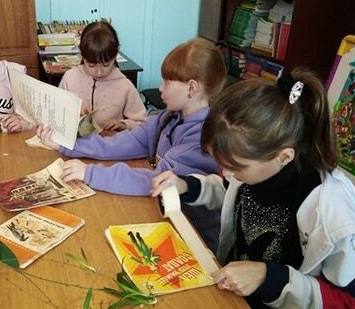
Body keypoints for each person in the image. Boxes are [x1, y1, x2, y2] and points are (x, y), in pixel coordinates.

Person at [150, 68, 355, 309]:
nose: (227, 173)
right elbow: (230, 190)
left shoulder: (331, 215)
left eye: (237, 167)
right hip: (238, 300)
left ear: (284, 156)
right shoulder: (257, 168)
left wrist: (270, 277)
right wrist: (188, 186)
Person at [37, 37, 227, 249]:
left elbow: (155, 182)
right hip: (164, 217)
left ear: (191, 88)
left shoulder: (202, 139)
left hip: (193, 237)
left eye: (167, 82)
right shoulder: (169, 117)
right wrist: (65, 144)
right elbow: (122, 143)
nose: (161, 88)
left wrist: (90, 173)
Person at [59, 20, 146, 131]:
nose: (99, 72)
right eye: (91, 65)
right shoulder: (70, 78)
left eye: (106, 64)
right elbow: (56, 113)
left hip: (110, 145)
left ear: (116, 54)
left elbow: (143, 124)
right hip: (75, 145)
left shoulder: (125, 86)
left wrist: (123, 125)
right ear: (82, 54)